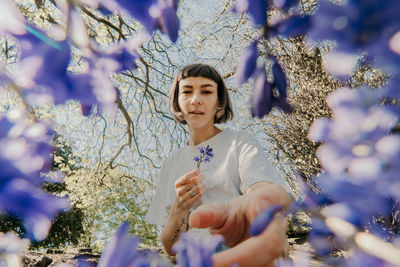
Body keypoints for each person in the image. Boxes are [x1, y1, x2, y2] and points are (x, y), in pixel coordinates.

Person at [146, 63, 291, 267]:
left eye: (206, 91)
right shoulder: (171, 163)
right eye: (187, 91)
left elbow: (261, 188)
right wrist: (180, 208)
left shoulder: (239, 142)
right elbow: (170, 246)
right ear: (178, 104)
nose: (196, 99)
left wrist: (255, 207)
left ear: (219, 103)